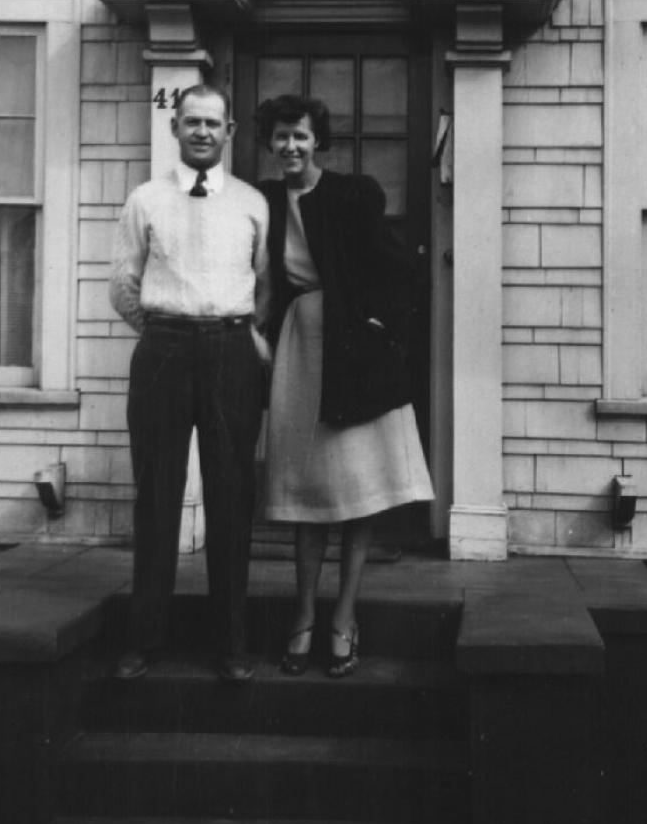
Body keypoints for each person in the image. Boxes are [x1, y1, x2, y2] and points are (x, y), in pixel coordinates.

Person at [256, 93, 434, 678]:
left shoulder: (352, 195)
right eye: (281, 136)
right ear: (270, 142)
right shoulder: (262, 201)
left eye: (300, 136)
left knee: (358, 492)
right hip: (302, 348)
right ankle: (303, 616)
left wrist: (378, 326)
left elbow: (399, 270)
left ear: (318, 141)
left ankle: (344, 619)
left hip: (354, 352)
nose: (290, 146)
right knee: (310, 497)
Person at [109, 83, 271, 684]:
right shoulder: (146, 199)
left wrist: (239, 335)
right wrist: (165, 328)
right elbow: (123, 284)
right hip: (164, 349)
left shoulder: (252, 203)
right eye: (192, 122)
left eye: (213, 123)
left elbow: (263, 284)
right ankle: (144, 639)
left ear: (230, 132)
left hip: (231, 350)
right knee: (156, 494)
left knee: (231, 495)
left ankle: (231, 644)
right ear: (175, 127)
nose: (202, 131)